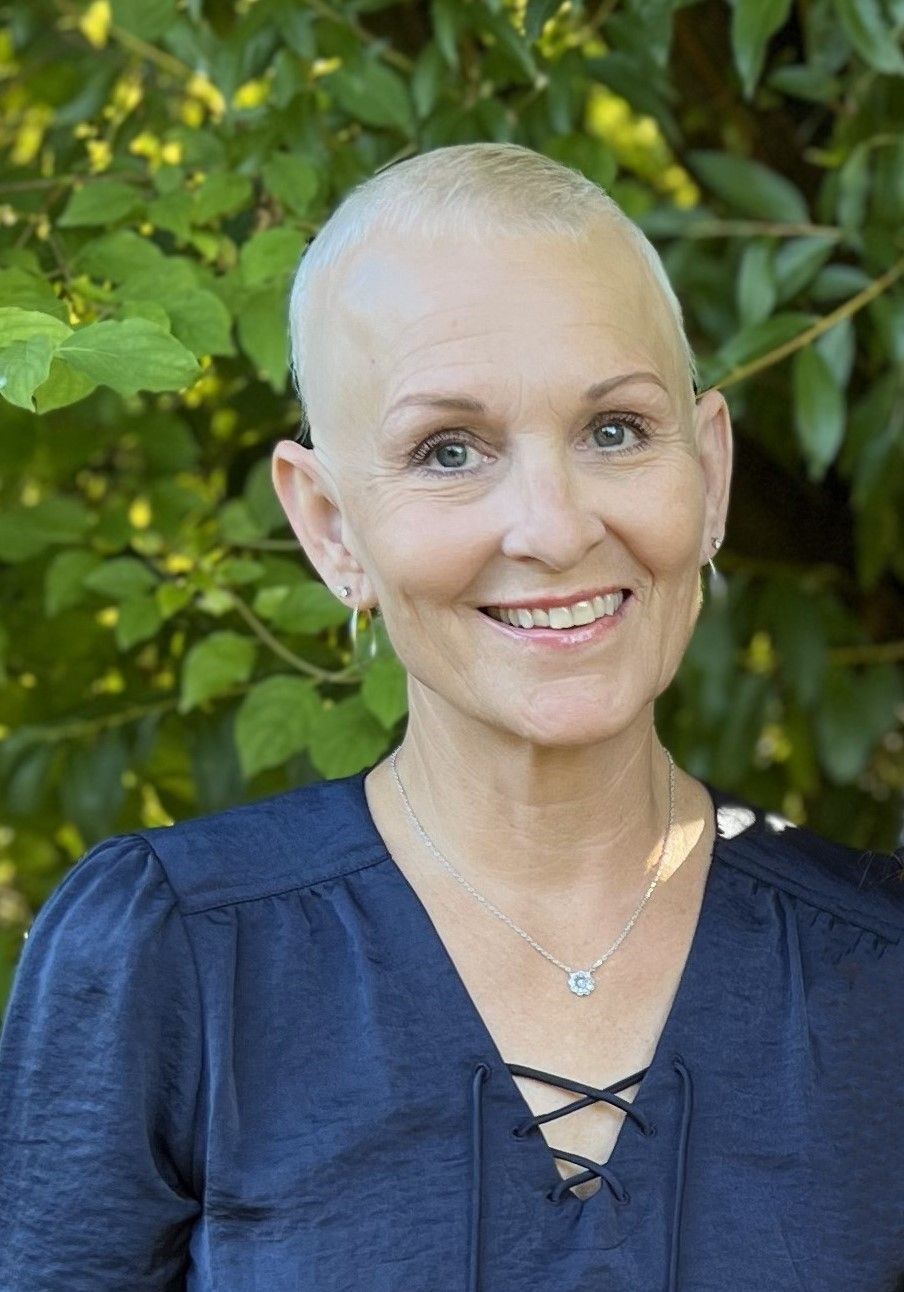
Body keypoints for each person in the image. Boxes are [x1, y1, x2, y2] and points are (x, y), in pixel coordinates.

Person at [0, 143, 901, 1292]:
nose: (553, 525)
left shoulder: (881, 969)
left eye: (615, 429)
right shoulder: (170, 958)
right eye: (449, 451)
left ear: (709, 472)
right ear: (329, 526)